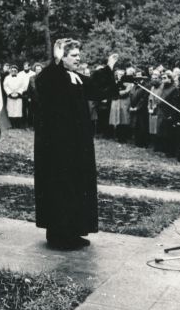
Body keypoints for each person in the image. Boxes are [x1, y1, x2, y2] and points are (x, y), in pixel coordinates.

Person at [34, 38, 119, 250]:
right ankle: (58, 234)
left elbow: (98, 89)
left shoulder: (77, 78)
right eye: (73, 55)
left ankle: (74, 231)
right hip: (57, 145)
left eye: (79, 55)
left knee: (76, 185)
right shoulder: (53, 76)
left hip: (77, 142)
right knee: (61, 186)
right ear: (62, 57)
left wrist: (109, 68)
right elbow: (44, 81)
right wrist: (55, 60)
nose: (78, 59)